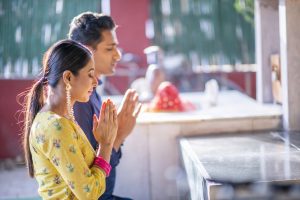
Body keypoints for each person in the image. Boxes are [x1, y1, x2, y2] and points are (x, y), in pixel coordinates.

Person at [23, 39, 118, 199]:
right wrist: (106, 145)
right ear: (68, 77)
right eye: (90, 74)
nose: (95, 82)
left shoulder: (60, 120)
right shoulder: (56, 126)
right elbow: (89, 194)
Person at [68, 12, 142, 200]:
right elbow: (87, 180)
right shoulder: (79, 101)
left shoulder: (93, 92)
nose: (118, 55)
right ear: (86, 51)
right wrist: (118, 137)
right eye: (110, 49)